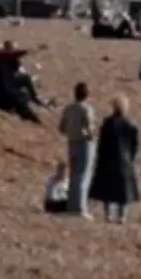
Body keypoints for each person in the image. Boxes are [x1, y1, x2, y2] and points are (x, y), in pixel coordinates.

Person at [89, 94, 139, 223]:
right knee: (123, 190)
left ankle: (108, 214)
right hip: (125, 160)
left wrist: (99, 156)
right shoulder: (130, 124)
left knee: (108, 189)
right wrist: (132, 158)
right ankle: (122, 216)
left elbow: (102, 142)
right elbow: (134, 145)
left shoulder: (108, 123)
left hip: (108, 158)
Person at [58, 82, 96, 219]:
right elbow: (90, 127)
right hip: (83, 143)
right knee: (83, 175)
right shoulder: (86, 109)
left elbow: (61, 127)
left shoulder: (68, 108)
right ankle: (80, 208)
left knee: (74, 175)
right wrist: (91, 137)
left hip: (71, 142)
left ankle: (71, 206)